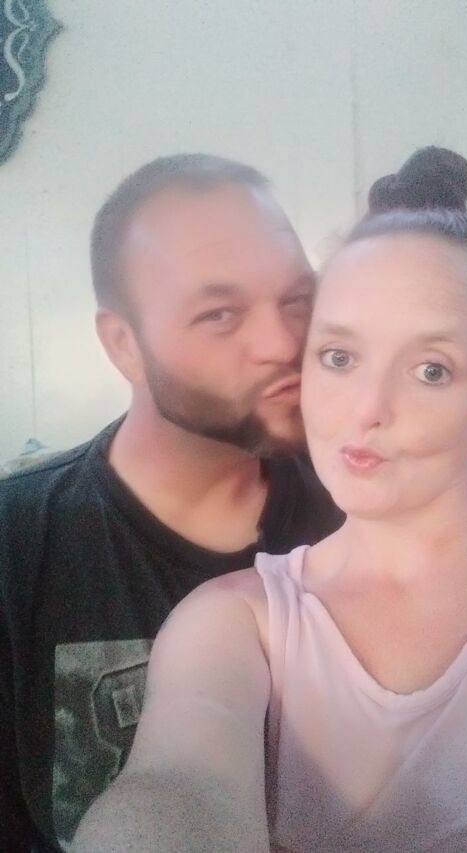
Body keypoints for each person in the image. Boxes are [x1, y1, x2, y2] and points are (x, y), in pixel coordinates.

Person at [73, 148, 467, 853]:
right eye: (339, 357)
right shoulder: (232, 624)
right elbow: (177, 787)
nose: (367, 408)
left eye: (431, 369)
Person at [0, 153, 343, 853]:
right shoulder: (17, 544)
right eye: (219, 314)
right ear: (124, 344)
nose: (283, 343)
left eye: (296, 299)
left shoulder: (360, 507)